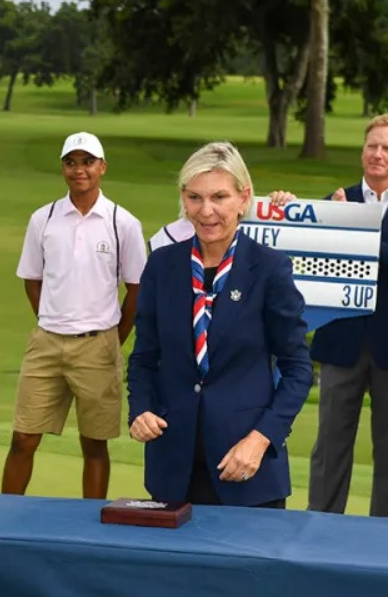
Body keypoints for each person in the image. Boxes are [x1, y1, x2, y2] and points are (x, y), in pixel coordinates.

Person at [273, 114, 388, 518]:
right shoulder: (337, 200)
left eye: (387, 148)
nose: (377, 154)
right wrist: (289, 208)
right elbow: (304, 255)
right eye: (371, 146)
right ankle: (320, 524)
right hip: (341, 341)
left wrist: (357, 229)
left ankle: (385, 533)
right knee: (330, 446)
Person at [128, 142, 313, 508]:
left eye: (219, 197)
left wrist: (261, 439)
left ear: (243, 199)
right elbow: (144, 357)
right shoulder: (162, 265)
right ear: (183, 199)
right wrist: (141, 410)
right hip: (173, 469)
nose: (206, 210)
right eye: (195, 197)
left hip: (246, 469)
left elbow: (297, 368)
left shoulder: (269, 268)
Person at [2, 132, 146, 499]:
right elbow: (32, 279)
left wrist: (113, 338)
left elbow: (136, 289)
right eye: (71, 162)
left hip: (98, 346)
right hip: (46, 344)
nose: (79, 170)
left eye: (87, 162)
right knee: (23, 438)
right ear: (63, 168)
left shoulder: (122, 223)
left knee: (94, 444)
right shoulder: (44, 218)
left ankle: (90, 522)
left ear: (102, 167)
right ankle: (3, 516)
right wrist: (52, 319)